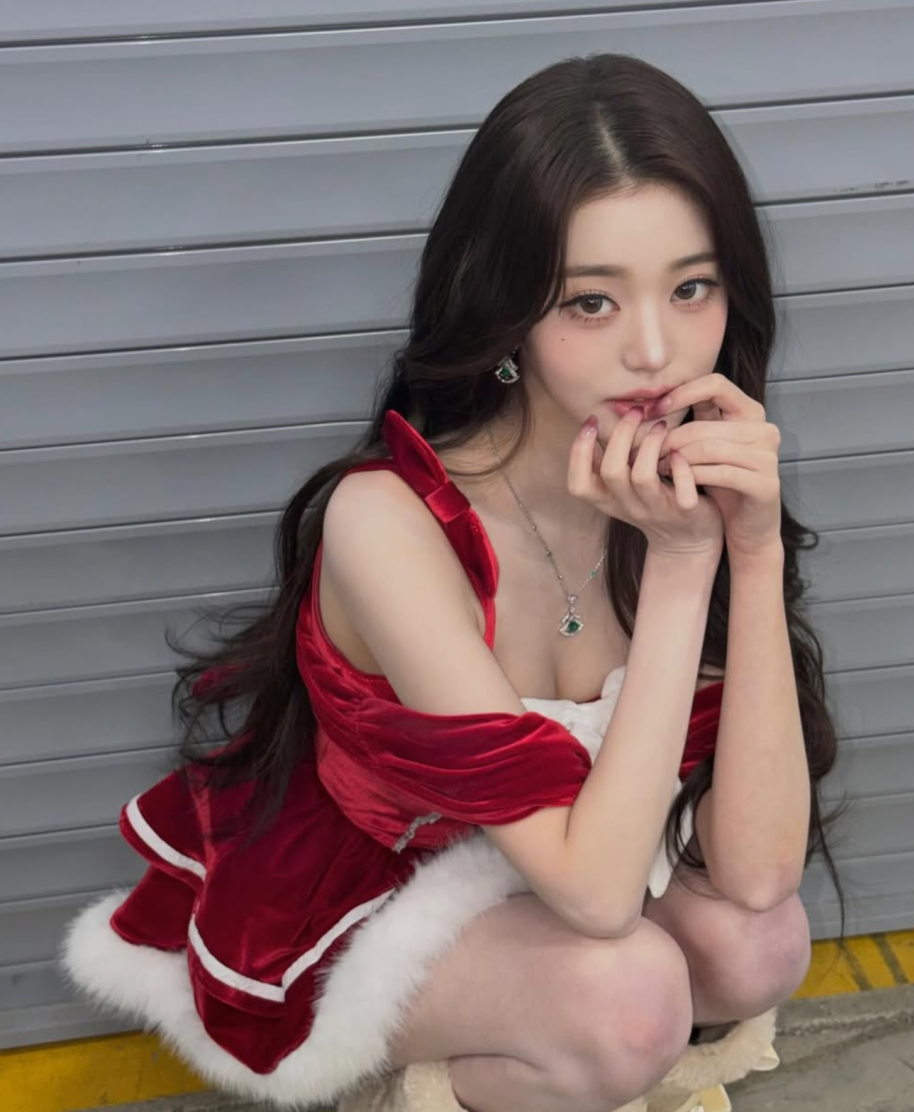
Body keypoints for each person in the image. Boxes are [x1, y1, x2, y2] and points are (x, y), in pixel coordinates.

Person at [61, 52, 848, 1112]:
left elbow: (757, 875)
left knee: (760, 944)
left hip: (576, 870)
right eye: (590, 301)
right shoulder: (389, 521)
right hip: (382, 901)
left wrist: (749, 552)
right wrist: (679, 565)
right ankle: (432, 1087)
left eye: (691, 287)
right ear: (508, 312)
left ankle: (561, 1050)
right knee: (631, 1001)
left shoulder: (677, 479)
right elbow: (599, 898)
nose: (656, 352)